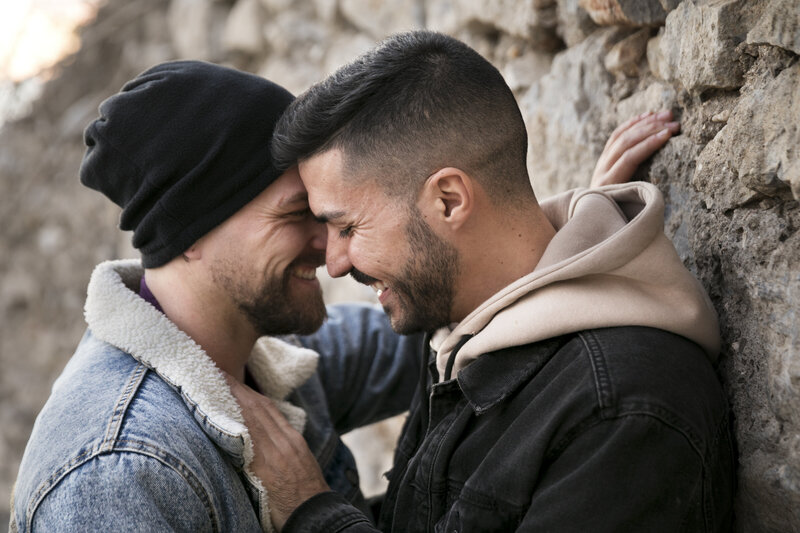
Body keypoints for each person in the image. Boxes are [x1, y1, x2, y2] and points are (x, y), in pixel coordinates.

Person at [229, 30, 735, 532]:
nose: (334, 263)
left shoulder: (622, 409)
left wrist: (310, 513)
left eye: (346, 227)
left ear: (449, 199)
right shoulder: (464, 333)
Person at [9, 60, 424, 533]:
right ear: (190, 233)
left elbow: (433, 330)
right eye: (294, 215)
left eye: (321, 212)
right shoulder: (118, 473)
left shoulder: (271, 362)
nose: (331, 249)